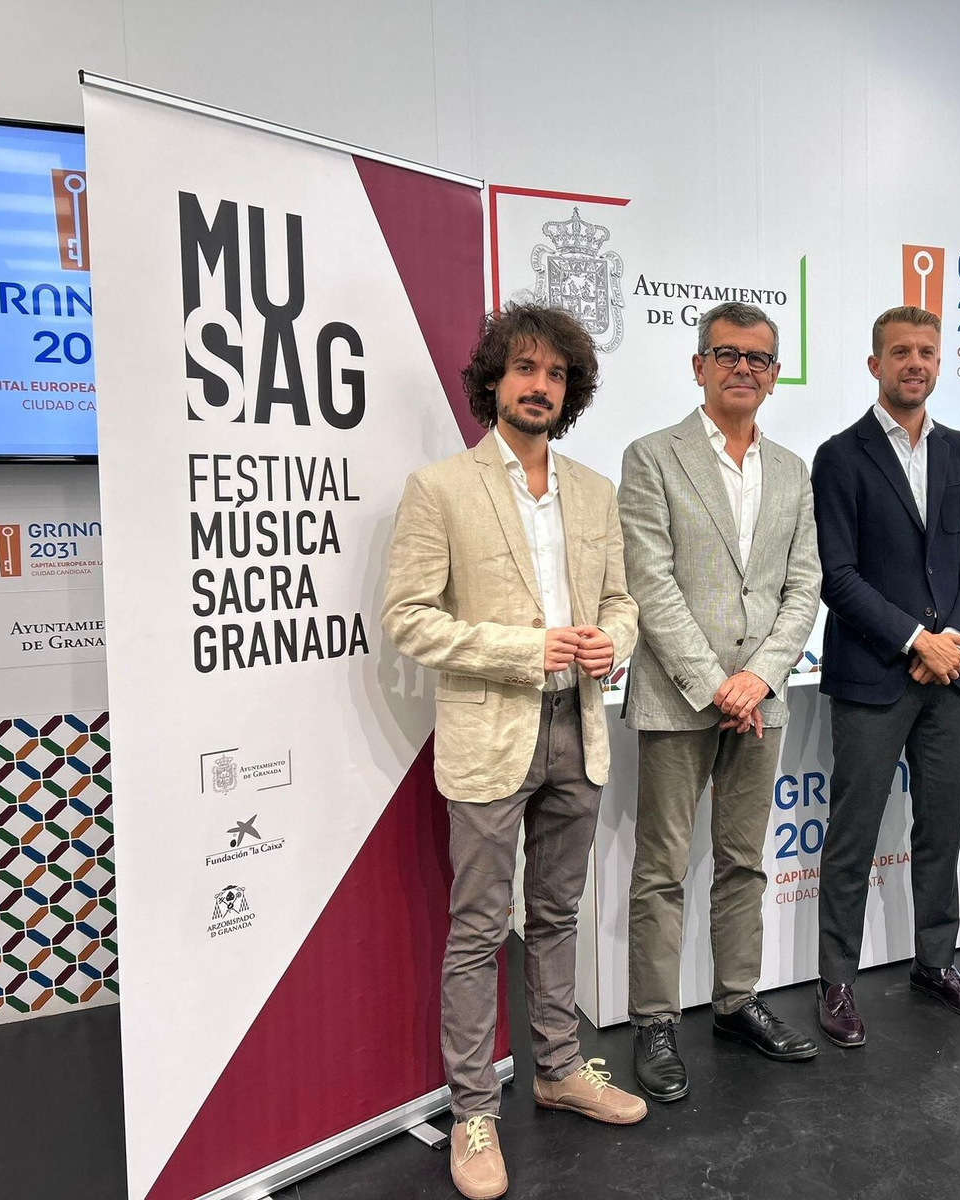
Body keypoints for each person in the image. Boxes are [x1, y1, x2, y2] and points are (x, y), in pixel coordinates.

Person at [382, 303, 644, 1200]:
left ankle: (561, 1069)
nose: (541, 386)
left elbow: (621, 601)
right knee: (480, 928)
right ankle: (472, 1110)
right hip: (491, 735)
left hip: (580, 730)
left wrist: (614, 641)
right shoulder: (441, 488)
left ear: (571, 391)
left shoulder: (596, 490)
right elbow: (407, 620)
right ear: (492, 381)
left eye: (558, 374)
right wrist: (521, 649)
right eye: (524, 370)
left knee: (558, 915)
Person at [619, 301, 823, 1102]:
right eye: (728, 354)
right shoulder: (651, 458)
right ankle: (653, 1023)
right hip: (678, 698)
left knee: (744, 862)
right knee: (661, 869)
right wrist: (715, 683)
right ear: (698, 365)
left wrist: (760, 678)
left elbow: (802, 587)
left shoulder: (795, 471)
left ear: (775, 378)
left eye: (760, 358)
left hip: (761, 699)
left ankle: (737, 1000)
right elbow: (650, 581)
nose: (744, 367)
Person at [810, 305, 960, 1049]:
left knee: (940, 831)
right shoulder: (840, 455)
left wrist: (952, 639)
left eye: (926, 351)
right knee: (853, 835)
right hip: (874, 676)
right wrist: (917, 639)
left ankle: (936, 964)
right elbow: (837, 575)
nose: (915, 363)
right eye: (900, 352)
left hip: (950, 680)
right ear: (875, 365)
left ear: (938, 362)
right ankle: (836, 982)